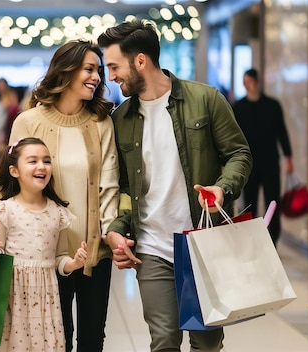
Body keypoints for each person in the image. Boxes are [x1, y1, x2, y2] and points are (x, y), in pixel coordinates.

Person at [97, 20, 252, 352]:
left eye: (114, 66)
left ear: (140, 61)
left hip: (203, 242)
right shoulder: (121, 119)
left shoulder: (206, 100)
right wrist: (118, 228)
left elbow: (239, 153)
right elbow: (125, 187)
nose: (111, 76)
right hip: (152, 246)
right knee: (164, 339)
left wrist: (223, 187)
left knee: (207, 342)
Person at [0, 40, 119, 352]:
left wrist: (111, 234)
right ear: (66, 71)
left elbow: (110, 186)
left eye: (99, 71)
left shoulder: (101, 123)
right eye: (89, 69)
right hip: (45, 251)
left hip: (94, 251)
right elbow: (6, 175)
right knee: (56, 340)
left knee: (92, 339)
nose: (96, 77)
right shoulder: (28, 121)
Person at [0, 137, 87, 352]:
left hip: (47, 299)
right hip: (11, 298)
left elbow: (59, 256)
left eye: (46, 161)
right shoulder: (4, 211)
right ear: (14, 171)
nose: (41, 166)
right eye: (33, 161)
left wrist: (73, 263)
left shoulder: (58, 213)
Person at [234, 68, 292, 245]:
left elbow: (282, 132)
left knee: (272, 202)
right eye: (246, 83)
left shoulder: (272, 106)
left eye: (251, 82)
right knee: (249, 204)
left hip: (270, 163)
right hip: (249, 164)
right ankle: (249, 241)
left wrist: (289, 156)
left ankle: (272, 240)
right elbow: (234, 137)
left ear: (258, 82)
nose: (249, 86)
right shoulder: (239, 107)